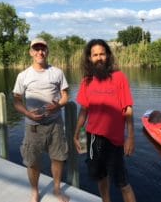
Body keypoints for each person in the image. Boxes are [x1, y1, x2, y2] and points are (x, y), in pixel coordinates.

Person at [73, 39, 136, 202]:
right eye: (95, 55)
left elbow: (127, 109)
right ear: (89, 58)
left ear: (108, 55)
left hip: (114, 140)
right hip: (93, 138)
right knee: (100, 176)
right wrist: (77, 133)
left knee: (123, 183)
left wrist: (131, 137)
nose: (99, 58)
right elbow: (84, 110)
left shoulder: (119, 77)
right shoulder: (86, 81)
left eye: (102, 54)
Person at [13, 37, 70, 202]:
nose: (40, 52)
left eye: (43, 49)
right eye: (36, 49)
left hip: (55, 124)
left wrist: (58, 105)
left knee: (58, 158)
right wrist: (28, 114)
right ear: (31, 52)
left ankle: (57, 189)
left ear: (47, 51)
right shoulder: (23, 75)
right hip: (33, 126)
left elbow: (66, 95)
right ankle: (35, 192)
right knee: (32, 162)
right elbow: (16, 101)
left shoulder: (57, 72)